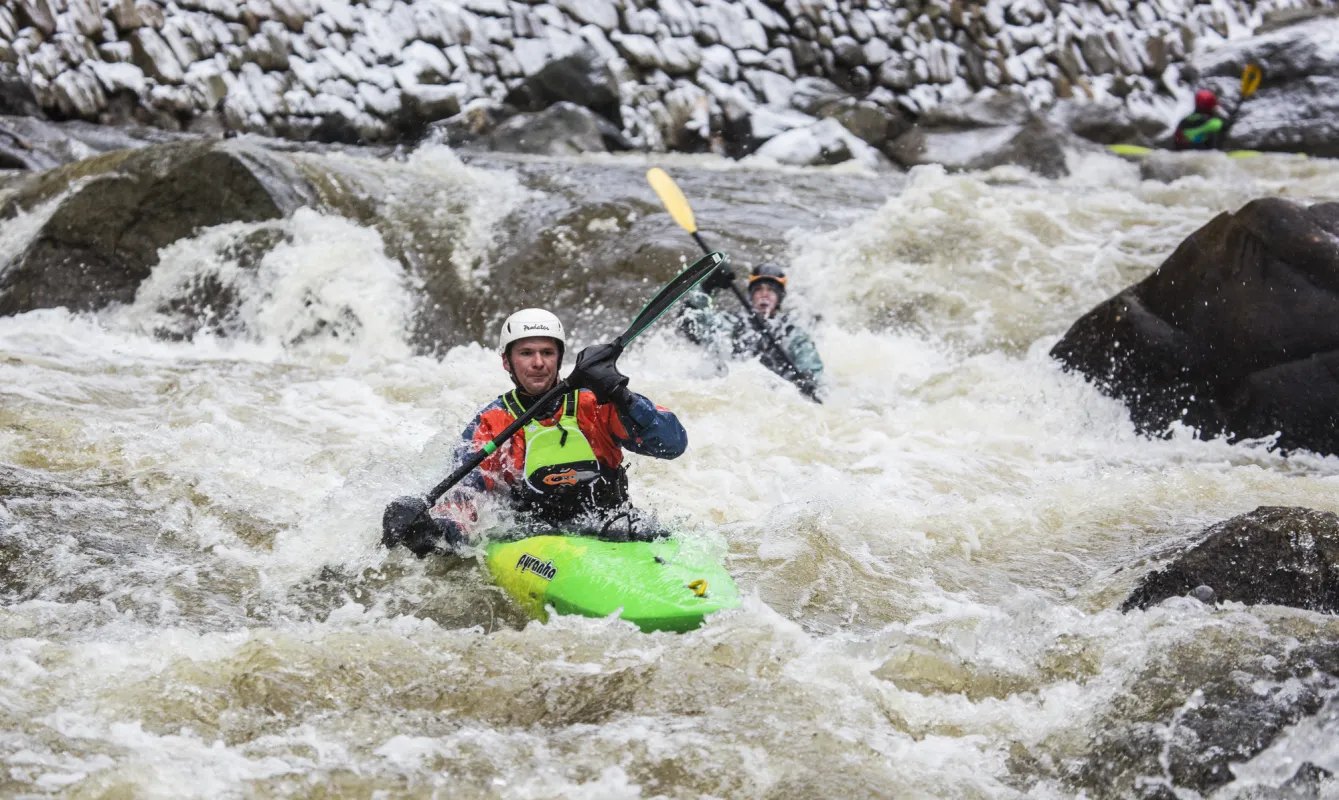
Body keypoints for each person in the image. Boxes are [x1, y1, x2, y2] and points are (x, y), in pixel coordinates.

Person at [382, 308, 687, 557]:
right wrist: (434, 532)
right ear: (507, 361)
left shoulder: (596, 403)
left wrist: (621, 394)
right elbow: (468, 497)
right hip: (535, 540)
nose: (539, 363)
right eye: (526, 353)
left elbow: (673, 445)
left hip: (613, 525)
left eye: (547, 352)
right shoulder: (492, 423)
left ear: (560, 358)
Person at [679, 262, 824, 393]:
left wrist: (809, 379)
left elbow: (810, 362)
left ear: (779, 297)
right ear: (752, 295)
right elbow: (693, 325)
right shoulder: (733, 322)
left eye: (771, 290)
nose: (764, 294)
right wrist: (709, 286)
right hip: (734, 390)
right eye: (759, 289)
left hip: (777, 396)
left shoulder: (791, 332)